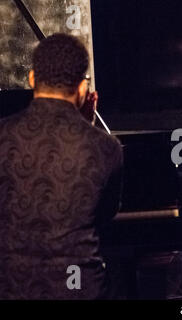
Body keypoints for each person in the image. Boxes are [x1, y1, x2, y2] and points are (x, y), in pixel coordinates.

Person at [0, 33, 123, 299]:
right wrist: (88, 127)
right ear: (82, 89)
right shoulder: (106, 147)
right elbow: (104, 215)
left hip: (10, 285)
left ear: (32, 79)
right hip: (75, 285)